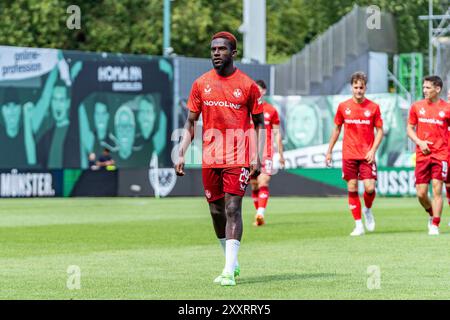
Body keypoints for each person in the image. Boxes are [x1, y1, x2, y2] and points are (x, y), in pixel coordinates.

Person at [174, 31, 265, 286]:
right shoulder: (200, 83)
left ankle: (227, 271)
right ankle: (231, 263)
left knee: (233, 208)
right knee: (216, 212)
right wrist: (181, 151)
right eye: (213, 49)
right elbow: (191, 122)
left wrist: (257, 155)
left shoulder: (248, 85)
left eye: (222, 49)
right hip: (210, 157)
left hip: (238, 156)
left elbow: (260, 123)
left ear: (233, 53)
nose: (216, 53)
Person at [326, 72, 384, 236]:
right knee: (352, 187)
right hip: (349, 154)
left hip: (367, 155)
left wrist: (373, 150)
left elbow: (380, 131)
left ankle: (367, 210)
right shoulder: (344, 107)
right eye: (356, 87)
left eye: (361, 87)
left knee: (370, 187)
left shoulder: (373, 107)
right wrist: (329, 151)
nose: (359, 90)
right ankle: (358, 225)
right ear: (352, 87)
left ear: (366, 88)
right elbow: (337, 129)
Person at [407, 76, 450, 236]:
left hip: (441, 155)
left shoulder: (447, 109)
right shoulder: (417, 107)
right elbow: (410, 129)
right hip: (422, 156)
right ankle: (431, 214)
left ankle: (435, 224)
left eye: (428, 88)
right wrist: (419, 142)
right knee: (421, 193)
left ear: (437, 89)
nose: (424, 90)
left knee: (437, 189)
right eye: (423, 87)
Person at [250, 80, 285, 226]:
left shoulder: (271, 110)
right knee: (253, 185)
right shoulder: (247, 110)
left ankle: (260, 213)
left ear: (263, 91)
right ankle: (259, 217)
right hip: (249, 153)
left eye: (258, 89)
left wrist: (281, 154)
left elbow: (277, 133)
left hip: (266, 152)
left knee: (263, 181)